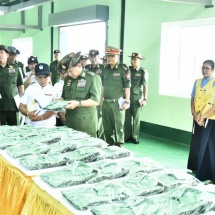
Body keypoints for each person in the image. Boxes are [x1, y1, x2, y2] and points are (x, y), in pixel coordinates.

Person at [60, 52, 102, 137]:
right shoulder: (68, 79)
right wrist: (57, 101)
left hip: (85, 125)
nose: (69, 74)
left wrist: (78, 103)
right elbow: (64, 96)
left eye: (71, 71)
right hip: (70, 124)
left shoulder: (92, 78)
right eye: (68, 72)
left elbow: (96, 101)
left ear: (79, 66)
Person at [187, 60, 215, 173]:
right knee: (197, 142)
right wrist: (194, 114)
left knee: (208, 146)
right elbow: (193, 98)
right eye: (203, 68)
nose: (204, 70)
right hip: (197, 118)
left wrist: (202, 117)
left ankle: (207, 173)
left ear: (213, 70)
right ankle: (195, 167)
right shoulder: (197, 82)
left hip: (209, 118)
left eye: (207, 68)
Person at [101, 46, 131, 147]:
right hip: (106, 103)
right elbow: (102, 86)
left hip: (117, 103)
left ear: (117, 56)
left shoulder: (123, 68)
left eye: (112, 56)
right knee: (107, 127)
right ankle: (110, 145)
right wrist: (101, 99)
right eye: (108, 56)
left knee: (119, 127)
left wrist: (127, 101)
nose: (109, 58)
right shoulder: (105, 70)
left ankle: (120, 147)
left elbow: (127, 86)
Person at [124, 52, 148, 144]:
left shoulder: (143, 72)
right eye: (132, 59)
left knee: (136, 119)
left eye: (135, 59)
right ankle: (128, 136)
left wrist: (145, 99)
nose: (133, 61)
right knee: (127, 119)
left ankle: (135, 136)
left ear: (140, 61)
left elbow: (145, 86)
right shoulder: (128, 70)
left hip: (137, 98)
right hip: (127, 97)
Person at [0, 45, 24, 126]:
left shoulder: (16, 68)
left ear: (7, 55)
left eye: (1, 53)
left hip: (13, 105)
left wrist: (21, 100)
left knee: (14, 130)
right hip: (0, 105)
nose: (0, 55)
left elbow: (20, 85)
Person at [85, 49, 105, 139]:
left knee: (99, 117)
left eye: (95, 57)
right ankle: (91, 136)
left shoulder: (103, 68)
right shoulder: (86, 68)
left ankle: (100, 138)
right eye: (91, 57)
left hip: (99, 95)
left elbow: (105, 83)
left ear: (99, 57)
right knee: (90, 116)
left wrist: (103, 96)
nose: (93, 58)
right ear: (89, 57)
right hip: (89, 96)